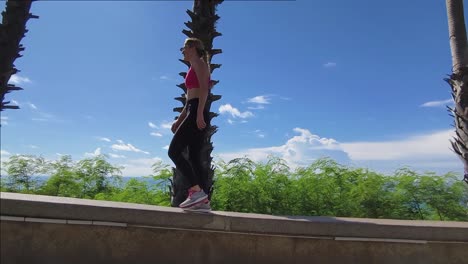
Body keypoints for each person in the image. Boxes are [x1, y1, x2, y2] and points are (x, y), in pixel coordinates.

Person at [168, 37, 213, 212]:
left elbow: (203, 89)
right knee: (193, 157)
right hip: (193, 110)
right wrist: (179, 120)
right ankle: (203, 200)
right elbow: (189, 99)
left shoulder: (200, 64)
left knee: (173, 151)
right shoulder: (192, 67)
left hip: (197, 112)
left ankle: (196, 191)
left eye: (184, 48)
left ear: (192, 47)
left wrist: (200, 113)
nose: (182, 51)